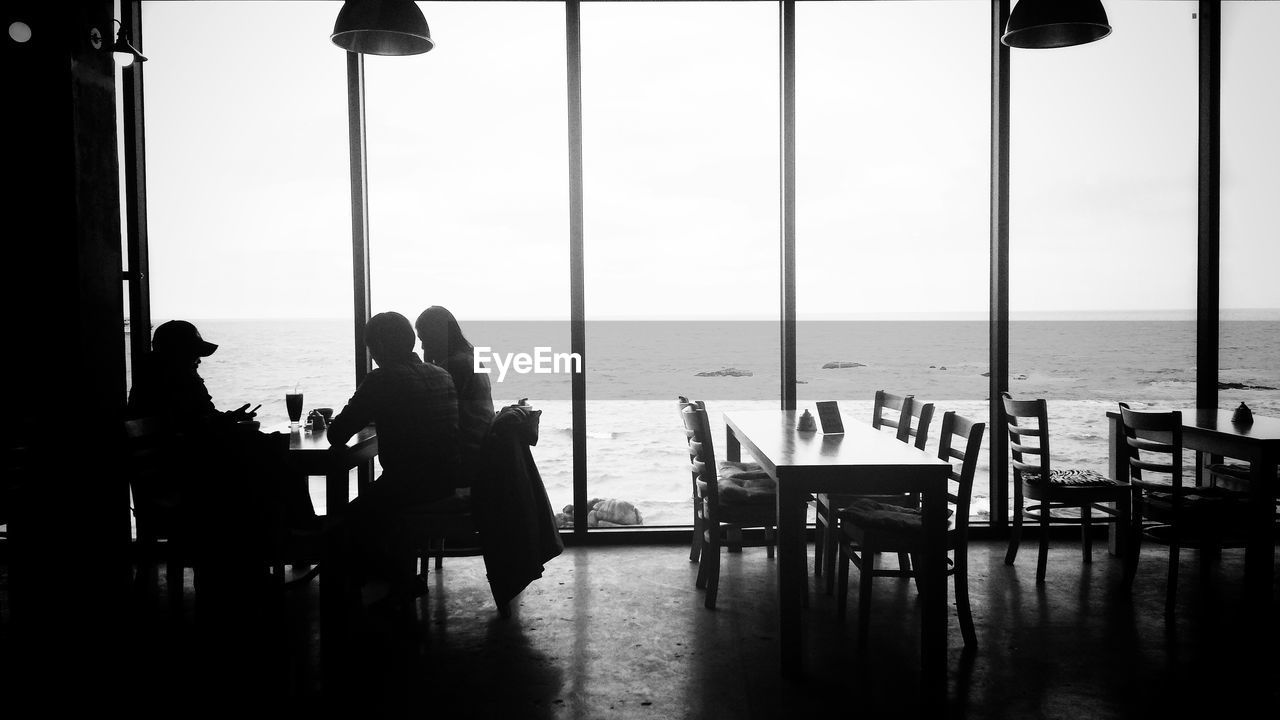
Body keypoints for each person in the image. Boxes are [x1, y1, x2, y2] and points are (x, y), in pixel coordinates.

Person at [329, 311, 461, 587]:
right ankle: (395, 577)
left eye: (371, 347)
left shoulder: (382, 379)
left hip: (408, 487)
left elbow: (338, 433)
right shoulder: (442, 375)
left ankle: (379, 586)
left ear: (379, 344)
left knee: (342, 526)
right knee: (370, 512)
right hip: (446, 482)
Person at [415, 306, 495, 489]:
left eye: (424, 339)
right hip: (480, 454)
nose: (422, 346)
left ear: (437, 335)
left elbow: (433, 419)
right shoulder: (471, 358)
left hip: (462, 463)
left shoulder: (453, 367)